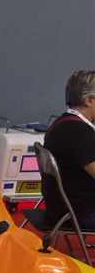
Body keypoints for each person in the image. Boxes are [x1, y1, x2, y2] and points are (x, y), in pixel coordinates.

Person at [42, 69, 95, 229]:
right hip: (82, 213)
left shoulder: (61, 123)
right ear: (89, 100)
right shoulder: (80, 132)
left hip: (60, 208)